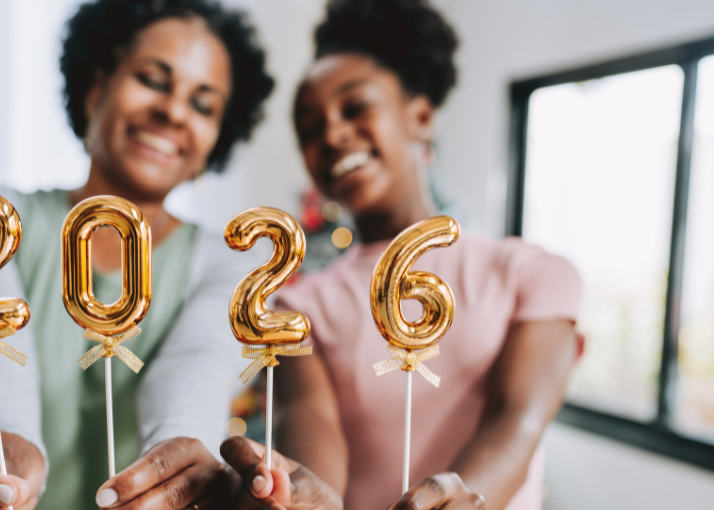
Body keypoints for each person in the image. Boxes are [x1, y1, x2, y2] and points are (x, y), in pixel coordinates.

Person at [220, 1, 582, 509]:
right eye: (310, 128)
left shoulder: (532, 275)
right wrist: (300, 495)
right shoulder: (298, 310)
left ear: (421, 117)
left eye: (355, 108)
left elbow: (517, 421)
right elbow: (312, 435)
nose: (332, 134)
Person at [0, 1, 273, 509]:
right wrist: (6, 445)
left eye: (203, 105)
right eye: (153, 80)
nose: (173, 111)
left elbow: (198, 367)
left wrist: (176, 458)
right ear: (96, 88)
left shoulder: (232, 263)